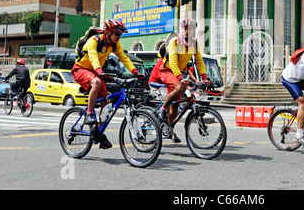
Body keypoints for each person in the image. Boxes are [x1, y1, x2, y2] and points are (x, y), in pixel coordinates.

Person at [71, 19, 141, 149]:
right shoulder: (94, 41)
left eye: (120, 35)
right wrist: (99, 71)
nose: (119, 38)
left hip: (96, 72)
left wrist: (136, 72)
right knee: (96, 82)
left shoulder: (114, 45)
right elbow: (93, 57)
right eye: (117, 35)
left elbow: (124, 58)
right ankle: (89, 114)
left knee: (107, 105)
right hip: (80, 69)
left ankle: (97, 133)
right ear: (108, 32)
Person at [149, 18, 210, 142]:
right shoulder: (175, 41)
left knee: (176, 105)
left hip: (176, 74)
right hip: (166, 71)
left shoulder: (195, 44)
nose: (187, 31)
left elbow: (199, 62)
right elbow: (173, 62)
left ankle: (168, 128)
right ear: (182, 29)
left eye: (190, 28)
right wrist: (180, 78)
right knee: (179, 87)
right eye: (185, 28)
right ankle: (162, 110)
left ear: (194, 30)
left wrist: (204, 78)